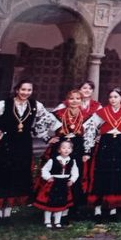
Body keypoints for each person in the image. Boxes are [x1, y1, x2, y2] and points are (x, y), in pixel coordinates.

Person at [0, 79, 57, 223]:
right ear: (17, 90)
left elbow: (48, 119)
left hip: (23, 144)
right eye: (23, 89)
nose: (26, 93)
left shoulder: (35, 105)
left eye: (29, 90)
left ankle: (8, 212)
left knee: (17, 174)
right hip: (5, 144)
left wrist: (46, 137)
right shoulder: (2, 105)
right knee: (2, 175)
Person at [83, 88, 121, 222]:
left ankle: (113, 210)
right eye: (111, 97)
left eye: (116, 97)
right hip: (105, 145)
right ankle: (97, 210)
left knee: (116, 176)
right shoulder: (102, 112)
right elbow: (89, 128)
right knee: (101, 175)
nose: (113, 100)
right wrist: (94, 139)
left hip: (119, 145)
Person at [45, 89, 89, 225]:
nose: (74, 101)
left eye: (78, 98)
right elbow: (40, 124)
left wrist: (87, 152)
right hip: (60, 148)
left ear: (82, 101)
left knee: (74, 177)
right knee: (59, 178)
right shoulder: (58, 114)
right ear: (67, 100)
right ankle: (55, 208)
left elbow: (89, 135)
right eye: (71, 98)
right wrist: (47, 138)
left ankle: (71, 210)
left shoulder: (87, 116)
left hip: (77, 149)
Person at [34, 140, 79, 229]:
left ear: (71, 150)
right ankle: (47, 221)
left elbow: (75, 172)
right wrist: (48, 177)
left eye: (69, 148)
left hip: (64, 184)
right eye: (64, 148)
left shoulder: (72, 161)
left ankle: (57, 221)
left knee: (61, 203)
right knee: (50, 202)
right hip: (54, 183)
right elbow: (44, 170)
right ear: (59, 150)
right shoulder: (53, 160)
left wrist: (72, 180)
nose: (66, 150)